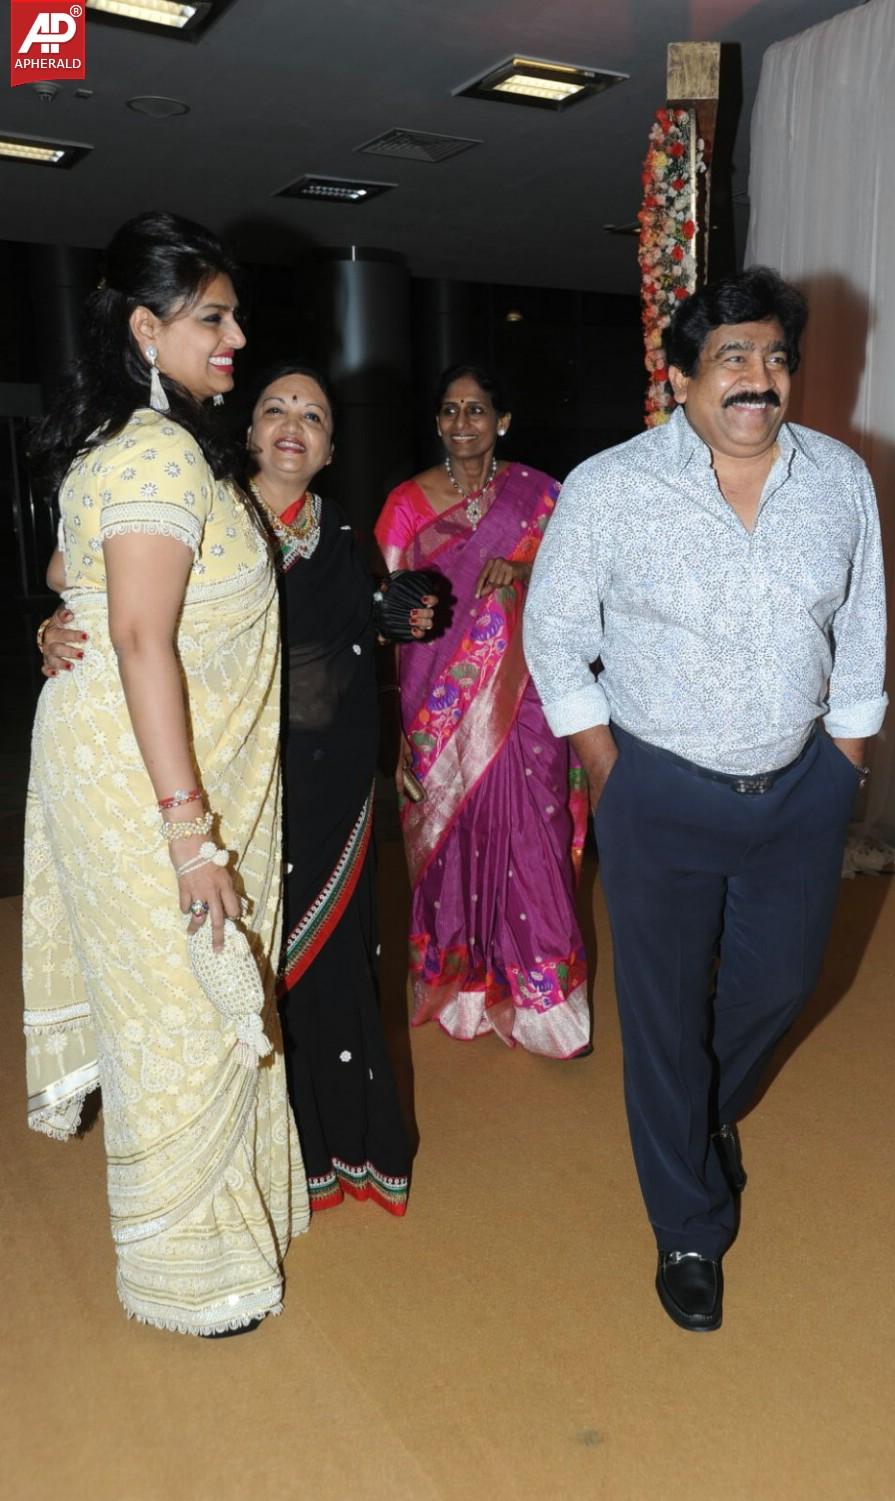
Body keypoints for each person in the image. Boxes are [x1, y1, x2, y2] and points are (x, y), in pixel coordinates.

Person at [523, 267, 887, 1331]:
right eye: (732, 358)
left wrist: (846, 760)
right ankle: (687, 1225)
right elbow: (554, 634)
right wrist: (606, 766)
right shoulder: (610, 487)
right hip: (659, 789)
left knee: (780, 986)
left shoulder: (840, 479)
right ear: (679, 377)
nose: (757, 379)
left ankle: (699, 1114)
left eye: (774, 358)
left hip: (801, 788)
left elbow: (863, 628)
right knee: (665, 1014)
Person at [41, 363, 436, 1220]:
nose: (293, 424)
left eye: (314, 416)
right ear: (247, 431)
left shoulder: (341, 535)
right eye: (275, 409)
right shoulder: (211, 513)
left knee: (334, 963)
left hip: (331, 787)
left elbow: (348, 635)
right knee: (238, 960)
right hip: (230, 775)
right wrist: (58, 622)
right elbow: (106, 584)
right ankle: (242, 1161)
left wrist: (393, 617)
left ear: (330, 449)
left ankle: (338, 1150)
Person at [23, 211, 309, 1336]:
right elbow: (142, 637)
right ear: (147, 329)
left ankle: (214, 1240)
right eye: (212, 319)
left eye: (233, 316)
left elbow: (73, 567)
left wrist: (66, 615)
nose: (235, 339)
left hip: (122, 755)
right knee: (182, 1011)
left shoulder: (135, 441)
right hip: (143, 787)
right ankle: (187, 1275)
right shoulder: (153, 449)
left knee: (182, 1001)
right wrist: (191, 837)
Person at [374, 365, 590, 1058]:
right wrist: (393, 728)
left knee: (534, 832)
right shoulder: (405, 506)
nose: (461, 421)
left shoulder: (541, 496)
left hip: (524, 698)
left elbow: (583, 581)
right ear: (437, 421)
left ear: (502, 421)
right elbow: (387, 620)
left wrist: (524, 570)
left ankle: (544, 1005)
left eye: (476, 409)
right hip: (435, 707)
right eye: (449, 409)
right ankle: (463, 989)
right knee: (455, 843)